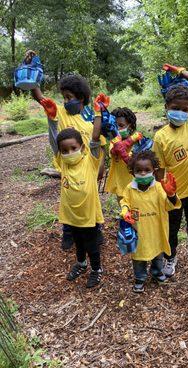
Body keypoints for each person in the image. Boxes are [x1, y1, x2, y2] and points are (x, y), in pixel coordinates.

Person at [26, 50, 106, 250]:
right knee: (69, 198)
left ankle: (95, 229)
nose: (64, 101)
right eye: (63, 97)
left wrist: (101, 169)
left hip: (89, 168)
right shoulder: (60, 113)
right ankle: (68, 232)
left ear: (81, 98)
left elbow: (99, 144)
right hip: (68, 165)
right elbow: (38, 96)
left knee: (92, 200)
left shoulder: (90, 119)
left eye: (68, 97)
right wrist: (30, 68)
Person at [153, 67, 188, 277]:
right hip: (173, 192)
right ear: (167, 107)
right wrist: (162, 190)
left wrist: (184, 72)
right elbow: (158, 168)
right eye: (175, 107)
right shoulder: (161, 136)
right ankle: (170, 257)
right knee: (172, 227)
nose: (180, 112)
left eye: (185, 109)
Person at [47, 116, 105, 288]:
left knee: (92, 245)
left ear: (82, 147)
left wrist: (97, 114)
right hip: (71, 215)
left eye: (73, 148)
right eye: (65, 150)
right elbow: (53, 140)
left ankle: (96, 269)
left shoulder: (90, 161)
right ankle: (81, 264)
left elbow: (95, 139)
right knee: (78, 243)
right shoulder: (63, 163)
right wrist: (52, 120)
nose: (69, 153)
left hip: (88, 215)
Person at [120, 150, 181, 293]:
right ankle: (140, 278)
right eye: (138, 170)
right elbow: (125, 202)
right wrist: (125, 211)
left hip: (156, 230)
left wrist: (171, 195)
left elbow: (169, 204)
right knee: (139, 257)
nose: (142, 173)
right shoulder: (130, 188)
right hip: (139, 229)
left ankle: (157, 272)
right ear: (132, 172)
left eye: (147, 170)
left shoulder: (159, 188)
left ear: (154, 170)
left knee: (157, 253)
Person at [105, 107, 138, 201]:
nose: (118, 129)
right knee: (123, 206)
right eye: (115, 126)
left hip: (136, 181)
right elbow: (113, 151)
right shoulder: (113, 142)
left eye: (121, 125)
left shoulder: (137, 141)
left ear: (130, 126)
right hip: (120, 182)